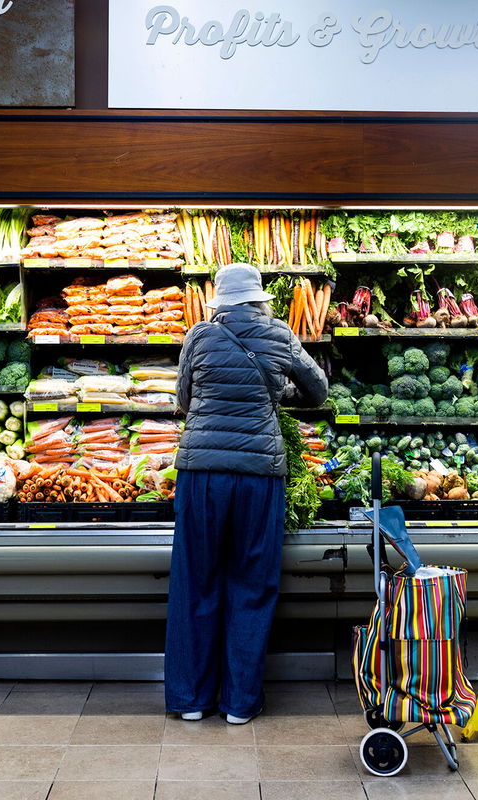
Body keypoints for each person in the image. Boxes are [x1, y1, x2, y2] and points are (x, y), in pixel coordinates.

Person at [165, 263, 329, 725]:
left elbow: (184, 398)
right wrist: (275, 394)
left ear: (219, 301)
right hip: (259, 473)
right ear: (259, 300)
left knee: (196, 580)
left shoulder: (198, 336)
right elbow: (318, 391)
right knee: (251, 583)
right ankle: (239, 703)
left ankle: (191, 699)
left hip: (201, 473)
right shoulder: (279, 334)